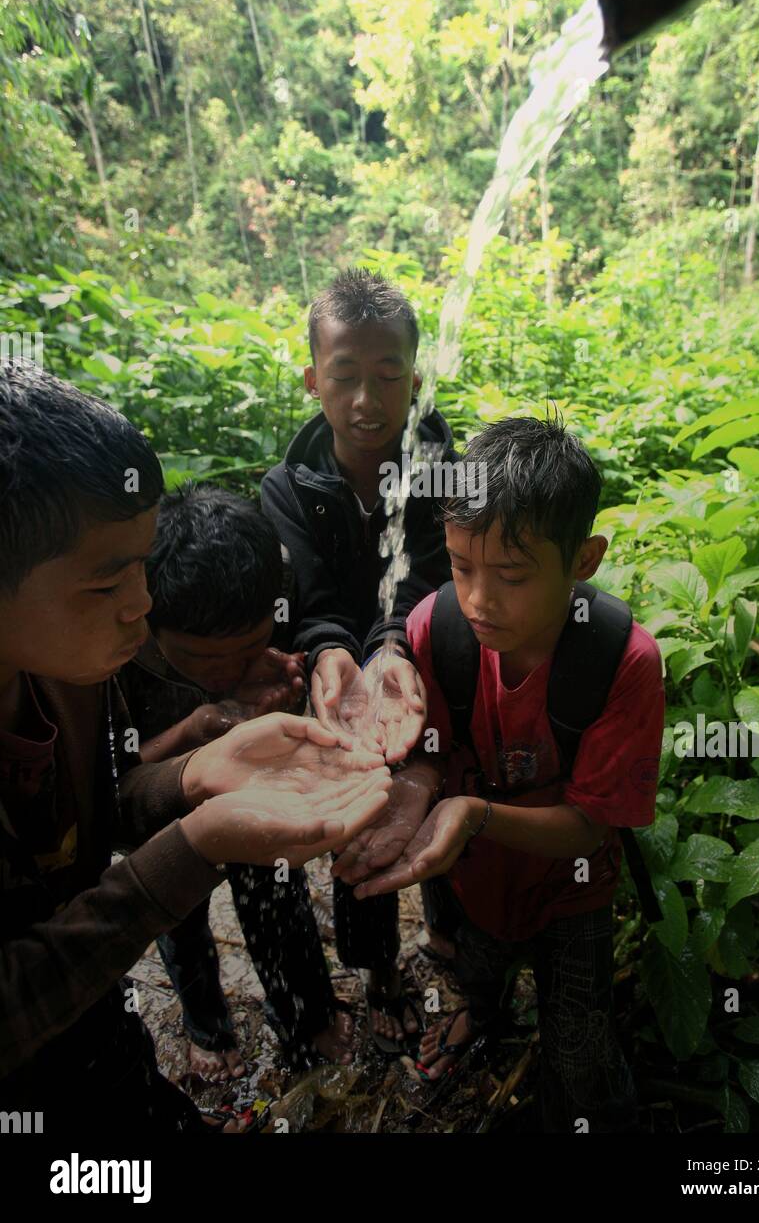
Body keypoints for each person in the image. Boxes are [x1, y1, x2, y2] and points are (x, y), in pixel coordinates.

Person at [0, 365, 390, 1131]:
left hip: (90, 1019)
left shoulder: (65, 670)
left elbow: (108, 803)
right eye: (107, 584)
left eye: (141, 570)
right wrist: (198, 841)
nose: (141, 607)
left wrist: (193, 776)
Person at [334, 415, 664, 1131]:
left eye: (512, 575)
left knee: (580, 1056)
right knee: (474, 970)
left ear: (584, 558)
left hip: (570, 893)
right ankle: (476, 1018)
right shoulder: (436, 626)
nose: (480, 598)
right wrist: (416, 789)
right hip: (471, 878)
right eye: (460, 565)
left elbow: (587, 828)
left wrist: (472, 815)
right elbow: (426, 747)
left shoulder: (621, 662)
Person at [261, 266, 458, 1052]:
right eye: (344, 377)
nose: (367, 402)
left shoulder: (450, 472)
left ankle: (449, 940)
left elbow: (438, 571)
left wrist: (390, 645)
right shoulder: (285, 489)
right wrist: (332, 650)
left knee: (434, 793)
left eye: (387, 378)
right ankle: (378, 970)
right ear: (314, 379)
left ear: (415, 379)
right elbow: (303, 595)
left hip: (425, 666)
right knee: (361, 810)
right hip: (341, 682)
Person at [118, 485, 354, 1081]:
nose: (228, 672)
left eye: (246, 650)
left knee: (276, 891)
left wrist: (287, 678)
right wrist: (197, 726)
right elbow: (114, 780)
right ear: (149, 620)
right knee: (180, 914)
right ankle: (206, 1026)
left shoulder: (276, 585)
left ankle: (306, 1018)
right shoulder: (116, 651)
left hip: (254, 785)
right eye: (205, 660)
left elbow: (301, 645)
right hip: (161, 808)